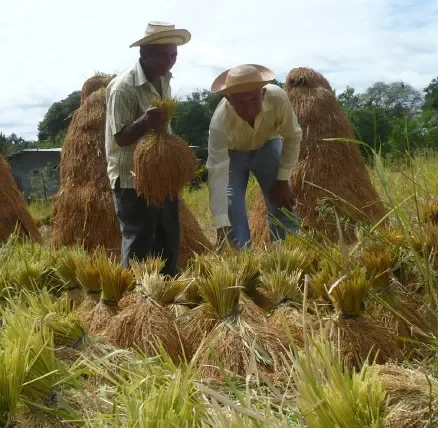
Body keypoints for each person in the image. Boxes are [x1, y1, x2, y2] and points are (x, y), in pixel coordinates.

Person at [105, 21, 191, 277]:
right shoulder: (123, 88)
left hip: (161, 176)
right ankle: (134, 300)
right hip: (132, 178)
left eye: (173, 55)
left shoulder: (164, 78)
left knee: (169, 236)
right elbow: (120, 137)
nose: (169, 62)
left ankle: (166, 294)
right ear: (144, 54)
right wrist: (145, 121)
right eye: (163, 56)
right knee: (139, 240)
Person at [206, 64, 303, 249]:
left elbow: (293, 135)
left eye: (253, 99)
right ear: (228, 99)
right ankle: (242, 258)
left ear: (263, 93)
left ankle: (287, 253)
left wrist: (283, 181)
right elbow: (216, 173)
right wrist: (220, 223)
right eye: (241, 103)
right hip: (232, 154)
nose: (249, 109)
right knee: (231, 206)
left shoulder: (278, 98)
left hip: (267, 145)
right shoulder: (219, 123)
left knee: (281, 201)